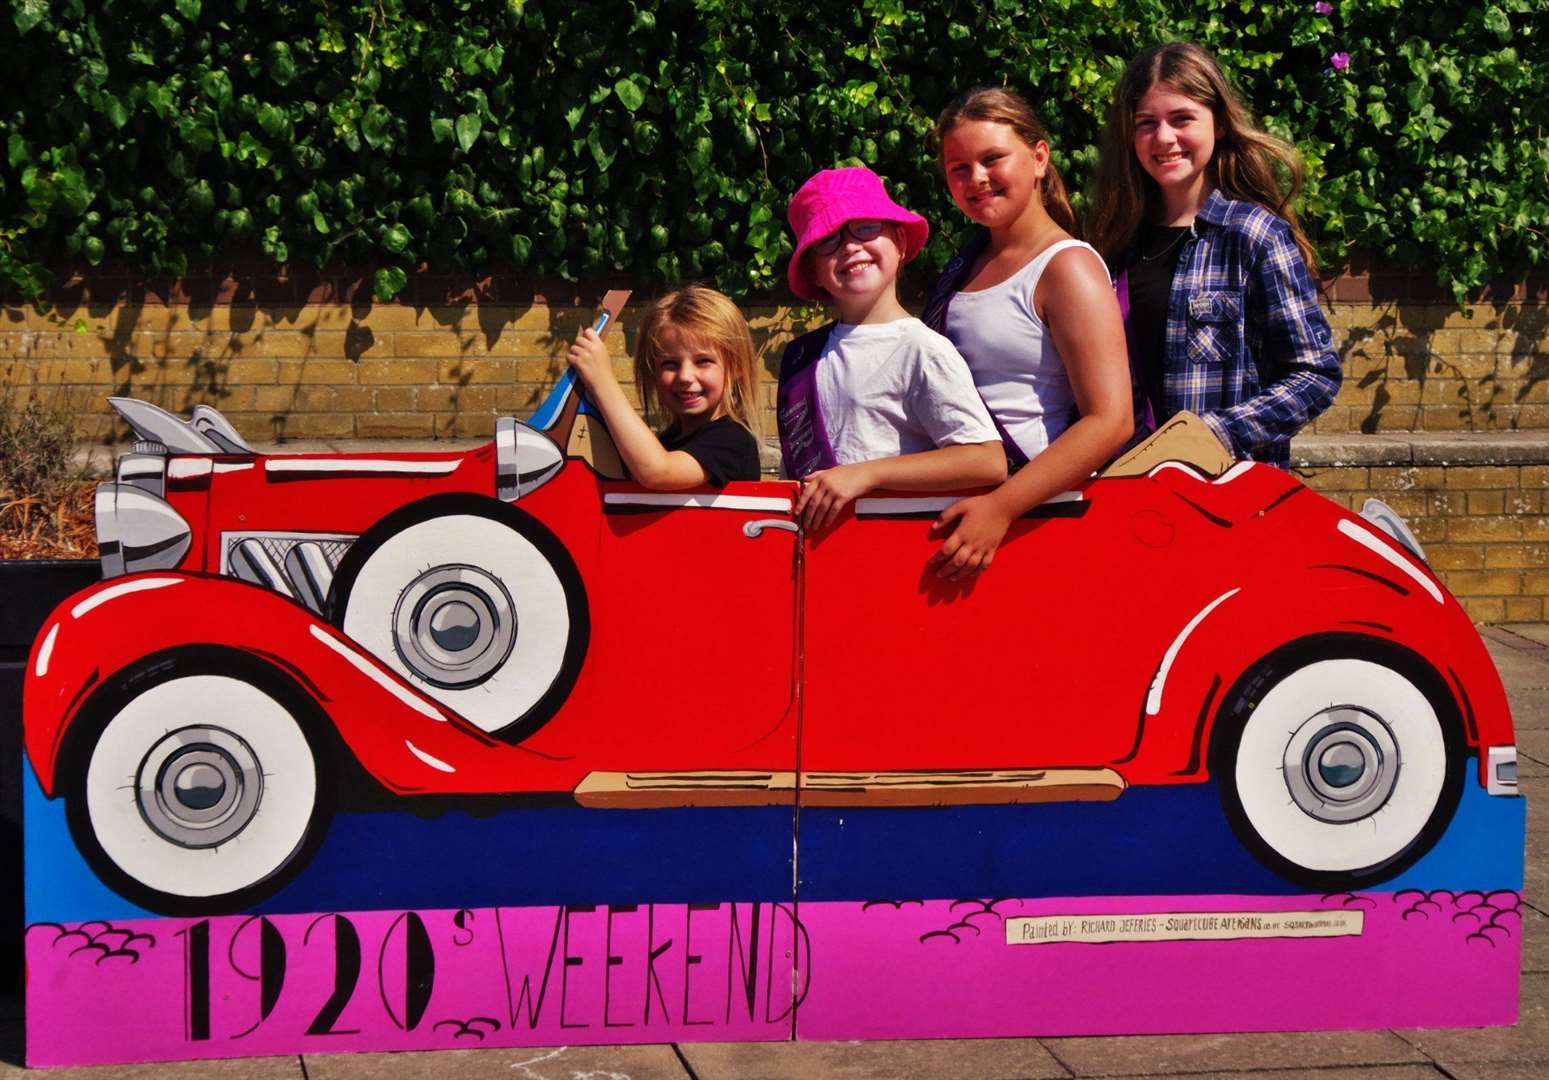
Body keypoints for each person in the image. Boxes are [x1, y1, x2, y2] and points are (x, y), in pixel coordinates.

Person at [1087, 41, 1341, 469]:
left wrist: (1216, 434)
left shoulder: (1254, 235)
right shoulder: (1113, 242)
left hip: (1225, 497)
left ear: (1219, 123)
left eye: (1182, 118)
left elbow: (1316, 375)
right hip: (1128, 492)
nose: (1163, 137)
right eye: (1146, 123)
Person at [922, 88, 1134, 578]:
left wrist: (1001, 509)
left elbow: (1110, 420)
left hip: (1028, 520)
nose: (976, 178)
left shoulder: (1067, 267)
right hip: (967, 514)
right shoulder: (965, 265)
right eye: (958, 168)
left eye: (993, 158)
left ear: (1039, 158)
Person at [778, 166, 1007, 531]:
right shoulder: (801, 357)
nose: (851, 245)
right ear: (814, 273)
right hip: (822, 556)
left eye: (866, 227)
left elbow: (986, 461)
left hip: (894, 551)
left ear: (900, 243)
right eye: (828, 240)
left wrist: (866, 474)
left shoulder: (922, 348)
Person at [568, 284, 761, 488]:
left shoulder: (731, 438)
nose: (685, 376)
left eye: (703, 361)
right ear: (653, 371)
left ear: (737, 365)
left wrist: (602, 383)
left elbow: (658, 472)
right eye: (670, 363)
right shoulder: (668, 440)